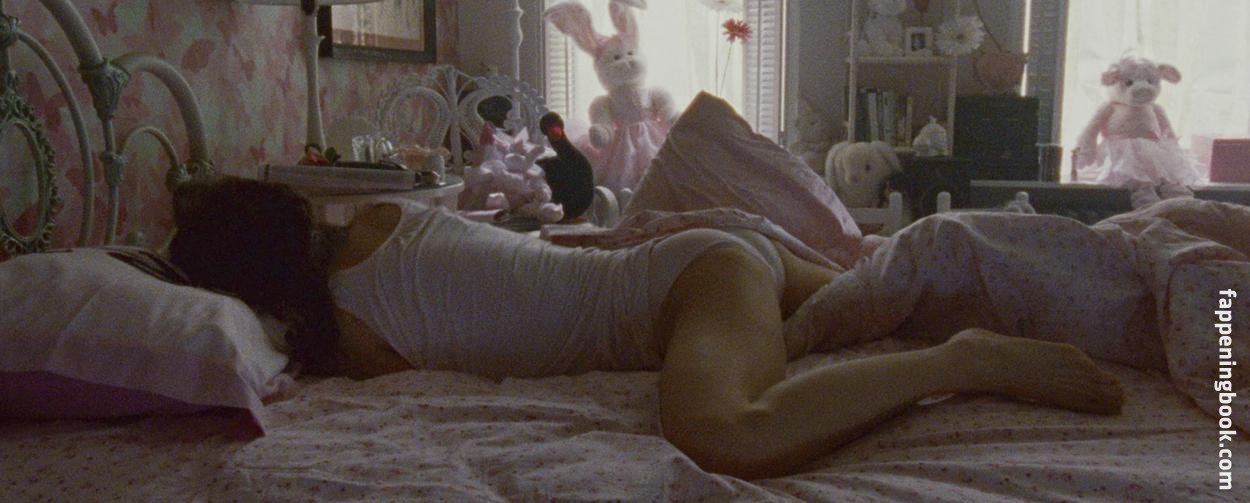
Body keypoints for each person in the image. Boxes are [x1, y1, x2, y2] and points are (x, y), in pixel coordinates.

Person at [168, 176, 1127, 479]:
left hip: (685, 291)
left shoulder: (350, 335)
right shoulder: (387, 213)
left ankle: (959, 362)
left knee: (724, 431)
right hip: (702, 258)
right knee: (885, 293)